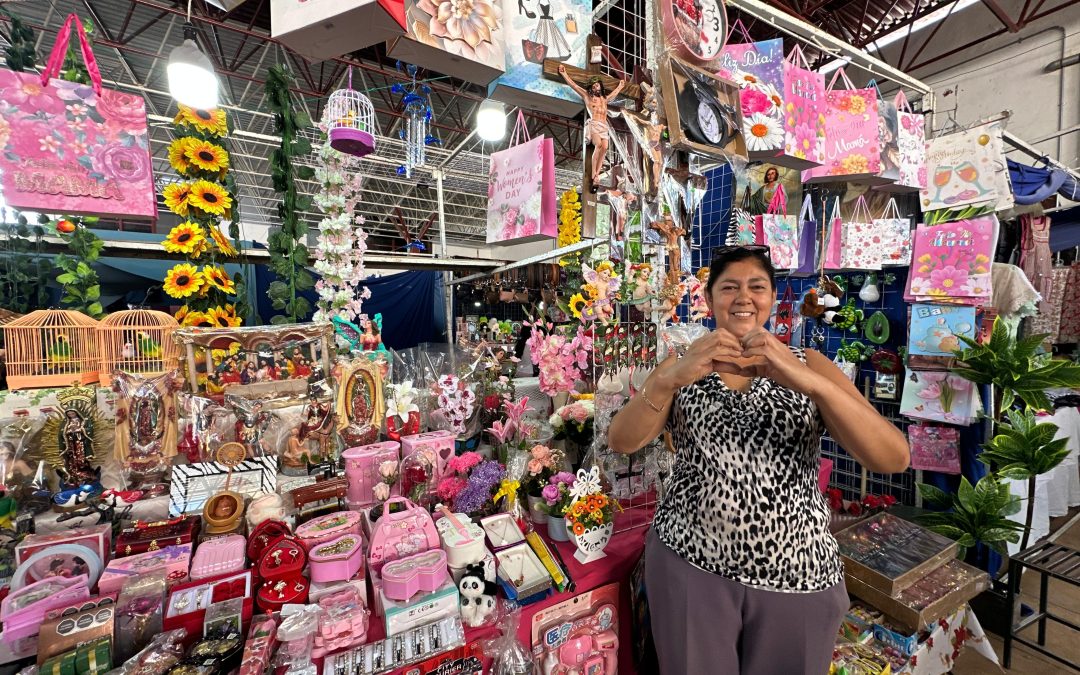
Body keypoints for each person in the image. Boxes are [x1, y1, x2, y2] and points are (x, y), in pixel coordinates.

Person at [608, 245, 909, 674]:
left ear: (772, 298)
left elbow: (893, 457)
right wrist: (668, 381)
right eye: (729, 287)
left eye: (757, 286)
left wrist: (807, 383)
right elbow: (622, 440)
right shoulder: (682, 363)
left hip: (798, 570)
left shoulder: (810, 364)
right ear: (709, 299)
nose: (743, 297)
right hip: (690, 561)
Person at [558, 66, 626, 188]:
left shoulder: (604, 99)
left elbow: (614, 94)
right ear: (591, 88)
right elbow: (574, 86)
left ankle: (597, 174)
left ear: (600, 86)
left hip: (604, 126)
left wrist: (620, 86)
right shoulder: (587, 97)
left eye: (597, 85)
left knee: (605, 147)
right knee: (599, 145)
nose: (596, 87)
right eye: (593, 86)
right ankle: (594, 172)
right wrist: (564, 74)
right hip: (594, 124)